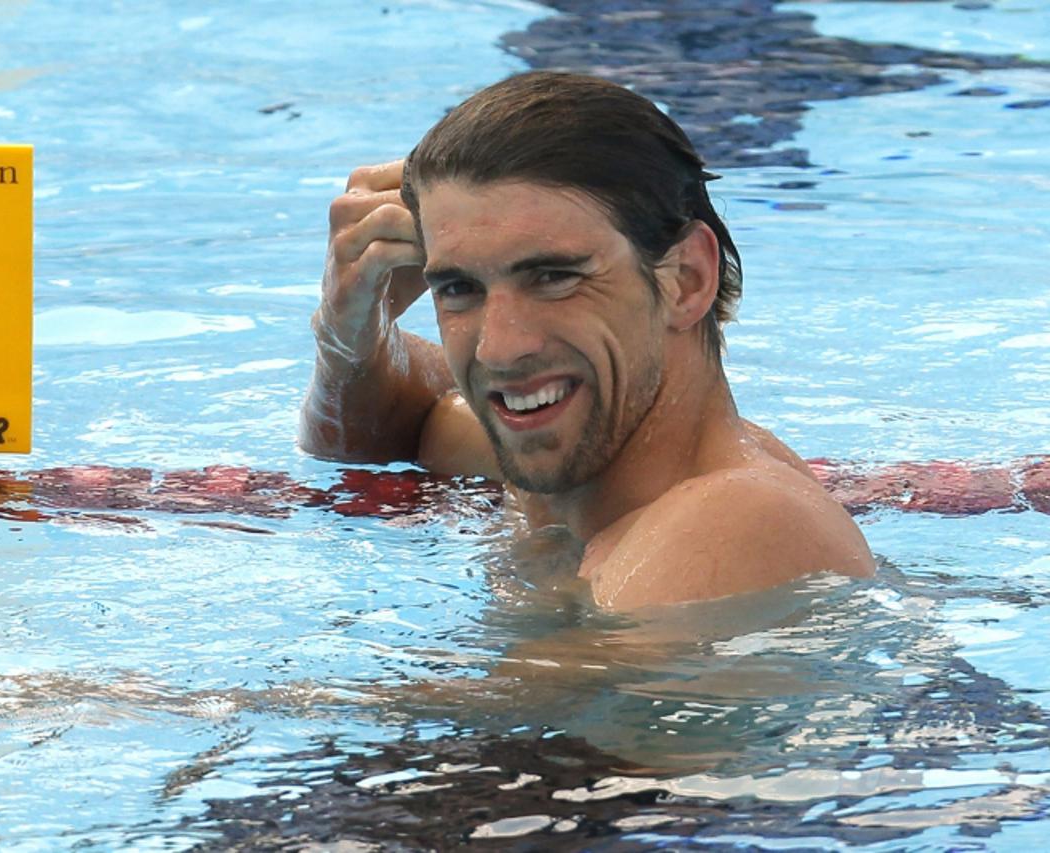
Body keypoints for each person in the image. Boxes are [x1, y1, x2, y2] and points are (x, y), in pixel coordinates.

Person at [300, 71, 875, 609]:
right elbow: (391, 429)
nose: (498, 348)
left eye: (553, 278)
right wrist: (347, 335)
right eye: (460, 288)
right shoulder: (574, 457)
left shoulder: (740, 520)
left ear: (687, 279)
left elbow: (544, 695)